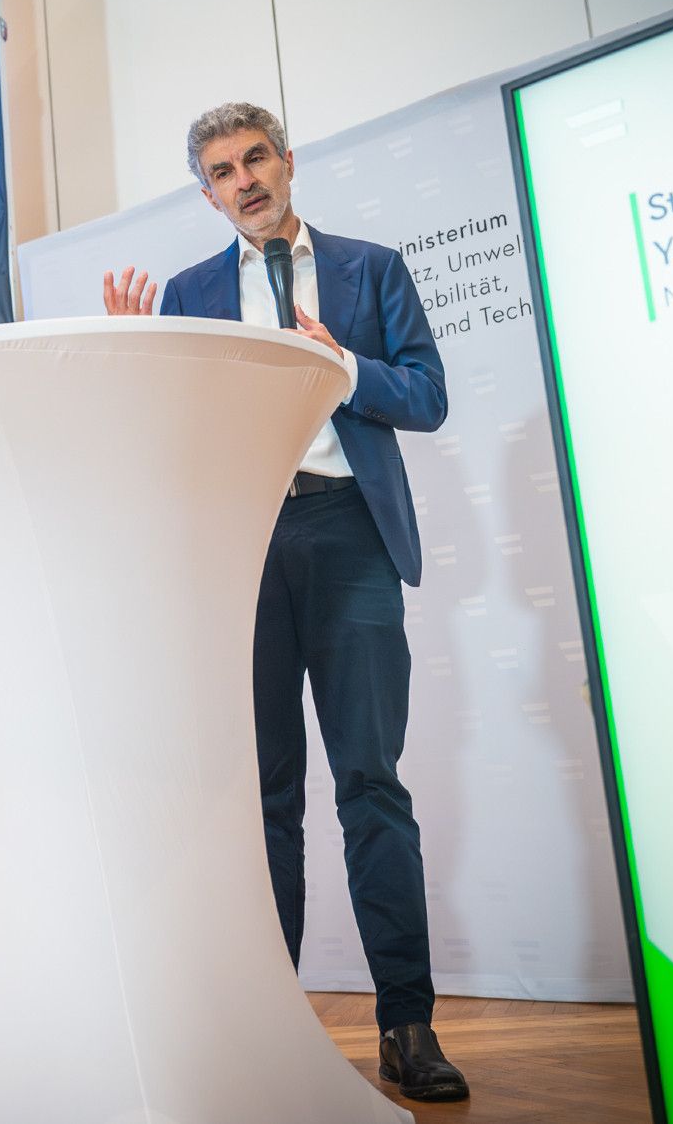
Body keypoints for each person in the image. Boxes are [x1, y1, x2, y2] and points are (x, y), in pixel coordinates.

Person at [101, 101, 466, 1103]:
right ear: (208, 191)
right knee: (264, 800)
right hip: (244, 547)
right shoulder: (185, 292)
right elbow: (167, 440)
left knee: (369, 785)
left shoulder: (368, 269)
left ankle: (406, 1025)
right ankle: (272, 1020)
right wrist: (140, 357)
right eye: (220, 170)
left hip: (348, 534)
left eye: (254, 157)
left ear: (286, 162)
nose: (243, 179)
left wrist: (336, 363)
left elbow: (426, 396)